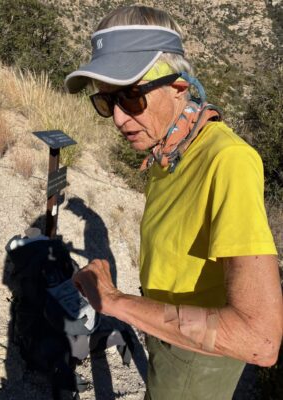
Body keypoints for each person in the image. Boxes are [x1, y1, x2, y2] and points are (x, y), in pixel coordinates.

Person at [65, 5, 283, 400]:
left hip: (196, 362)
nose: (117, 119)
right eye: (106, 101)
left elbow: (260, 340)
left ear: (179, 87)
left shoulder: (227, 161)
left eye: (131, 97)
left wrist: (117, 302)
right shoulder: (169, 148)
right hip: (166, 337)